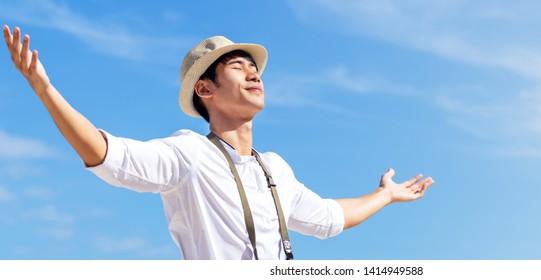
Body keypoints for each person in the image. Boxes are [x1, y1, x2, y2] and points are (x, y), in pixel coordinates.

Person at [2, 25, 435, 260]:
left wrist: (384, 195)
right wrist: (44, 90)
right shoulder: (189, 153)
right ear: (205, 90)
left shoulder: (275, 169)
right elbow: (106, 153)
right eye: (238, 66)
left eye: (255, 67)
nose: (254, 73)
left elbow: (329, 217)